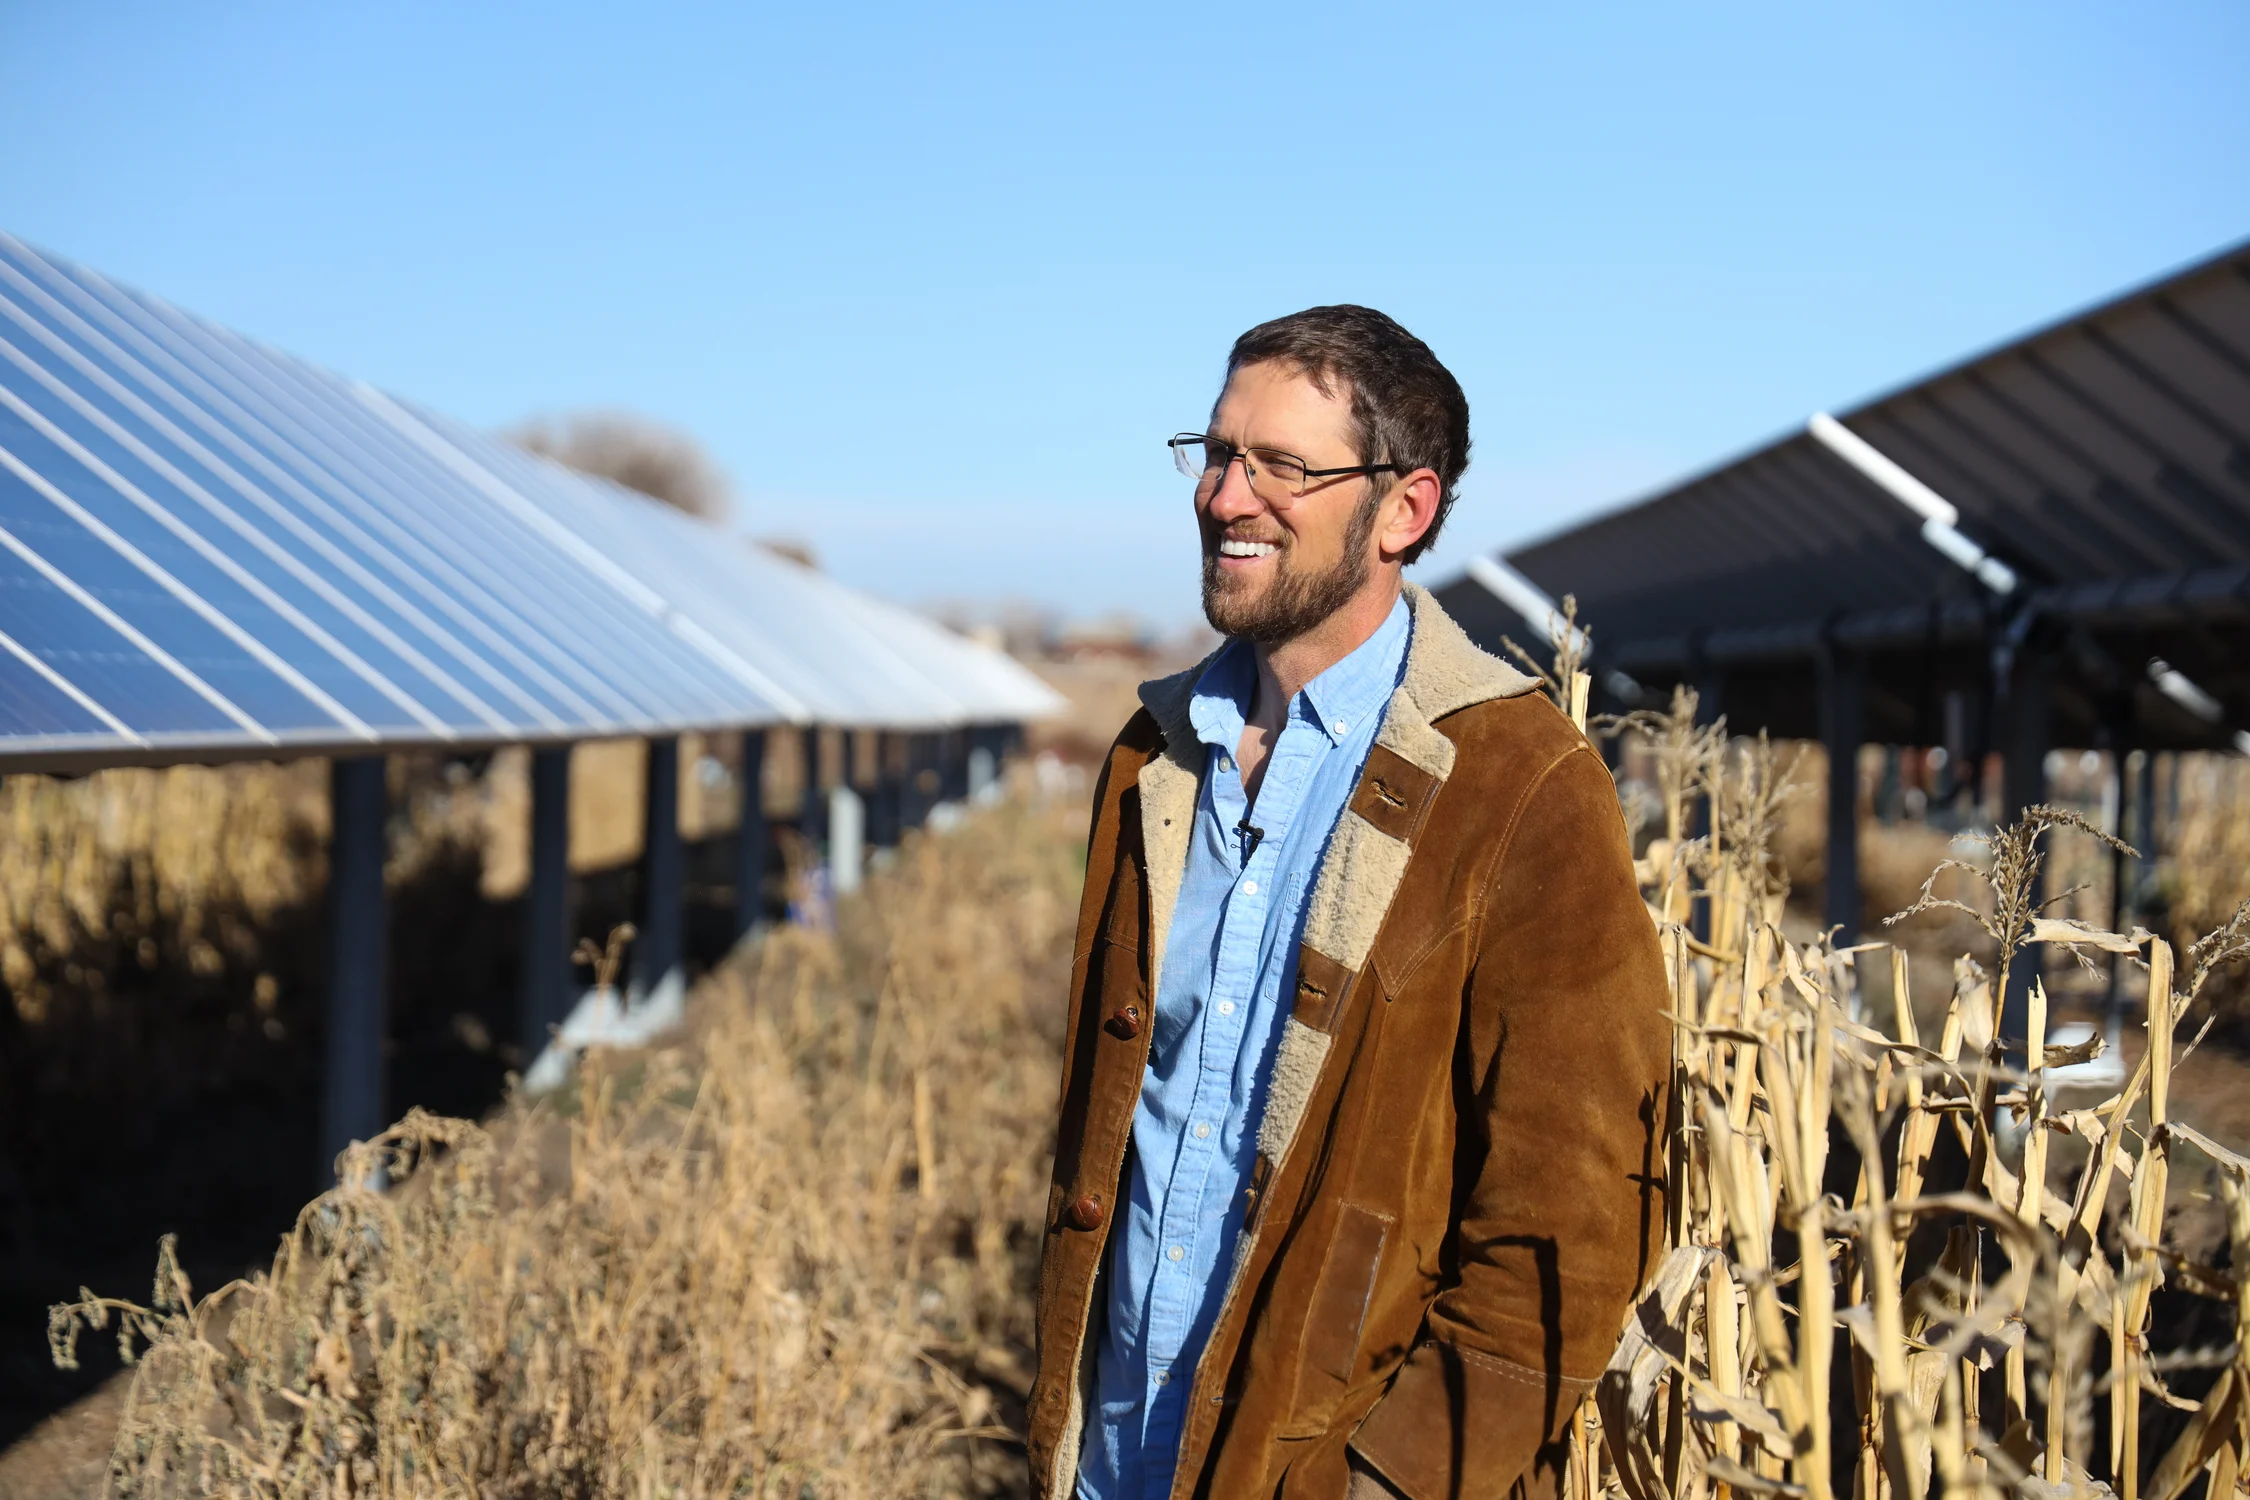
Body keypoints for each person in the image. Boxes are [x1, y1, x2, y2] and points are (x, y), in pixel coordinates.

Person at [1028, 306, 1672, 1500]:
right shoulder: (1154, 758)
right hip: (1108, 1461)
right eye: (1218, 454)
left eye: (1284, 467)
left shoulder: (1520, 787)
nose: (1226, 498)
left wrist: (1393, 1481)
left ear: (1404, 511)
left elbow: (1573, 1229)